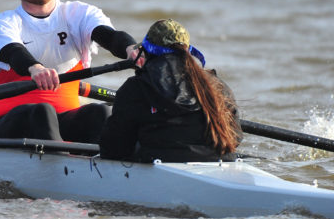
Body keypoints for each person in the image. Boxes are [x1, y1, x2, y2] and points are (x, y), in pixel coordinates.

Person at [0, 0, 140, 143]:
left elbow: (108, 36)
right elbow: (13, 51)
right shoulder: (3, 23)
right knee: (42, 112)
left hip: (65, 122)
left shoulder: (78, 13)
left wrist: (131, 48)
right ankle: (63, 166)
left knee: (100, 112)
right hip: (12, 125)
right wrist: (35, 68)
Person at [100, 19, 242, 162]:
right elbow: (236, 137)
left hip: (161, 166)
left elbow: (112, 149)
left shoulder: (136, 87)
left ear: (147, 51)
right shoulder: (217, 85)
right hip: (221, 162)